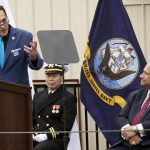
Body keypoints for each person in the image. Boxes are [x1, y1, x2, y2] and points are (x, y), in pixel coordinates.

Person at [32, 64, 77, 150]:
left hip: (56, 139)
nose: (51, 79)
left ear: (61, 77)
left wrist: (46, 135)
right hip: (37, 136)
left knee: (40, 148)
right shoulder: (38, 96)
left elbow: (65, 126)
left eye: (54, 76)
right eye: (48, 75)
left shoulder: (68, 98)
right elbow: (32, 119)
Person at [108, 63, 150, 150]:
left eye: (146, 73)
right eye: (143, 72)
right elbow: (121, 117)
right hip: (127, 143)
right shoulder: (135, 95)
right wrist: (130, 134)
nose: (141, 76)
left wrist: (135, 129)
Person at [0, 5, 43, 86]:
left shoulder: (24, 36)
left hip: (18, 93)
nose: (2, 25)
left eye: (4, 20)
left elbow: (38, 65)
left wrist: (34, 58)